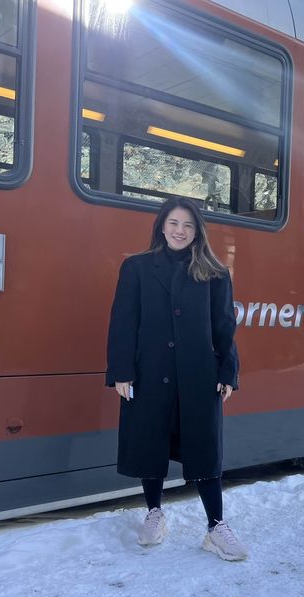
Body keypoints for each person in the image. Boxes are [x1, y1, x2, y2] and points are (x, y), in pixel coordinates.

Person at [106, 195, 246, 561]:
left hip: (199, 375)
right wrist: (122, 371)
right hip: (150, 372)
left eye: (187, 225)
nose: (180, 231)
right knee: (150, 442)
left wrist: (228, 372)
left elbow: (224, 328)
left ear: (197, 231)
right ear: (161, 227)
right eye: (173, 223)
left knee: (205, 449)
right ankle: (154, 512)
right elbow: (123, 323)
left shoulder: (214, 273)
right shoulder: (136, 268)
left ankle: (216, 526)